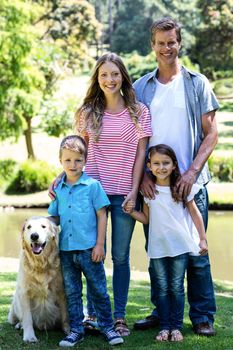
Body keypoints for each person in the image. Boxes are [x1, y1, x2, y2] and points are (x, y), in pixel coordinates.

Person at [50, 52, 152, 336]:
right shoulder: (87, 113)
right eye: (104, 74)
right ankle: (93, 315)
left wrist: (133, 192)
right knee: (92, 255)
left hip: (123, 194)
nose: (110, 79)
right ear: (97, 78)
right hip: (89, 195)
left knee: (120, 257)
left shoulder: (139, 112)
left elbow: (141, 154)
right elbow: (76, 154)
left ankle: (118, 318)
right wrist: (62, 176)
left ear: (123, 77)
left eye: (115, 74)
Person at [133, 17, 219, 336]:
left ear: (179, 43)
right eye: (160, 42)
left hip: (191, 185)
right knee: (158, 253)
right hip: (155, 188)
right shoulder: (141, 87)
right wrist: (142, 177)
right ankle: (163, 311)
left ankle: (201, 316)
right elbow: (135, 137)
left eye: (172, 41)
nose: (166, 47)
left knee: (196, 252)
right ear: (152, 46)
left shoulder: (197, 83)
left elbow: (212, 134)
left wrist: (192, 172)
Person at [125, 144, 208, 342]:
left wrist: (202, 238)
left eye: (165, 163)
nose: (161, 167)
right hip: (158, 247)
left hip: (179, 246)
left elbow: (195, 214)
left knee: (177, 287)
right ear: (149, 166)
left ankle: (176, 328)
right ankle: (164, 327)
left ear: (173, 165)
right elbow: (147, 219)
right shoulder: (149, 192)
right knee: (161, 287)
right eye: (156, 163)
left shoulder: (181, 188)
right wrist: (132, 212)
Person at [48, 135, 124, 347]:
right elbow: (54, 218)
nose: (73, 165)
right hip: (67, 250)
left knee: (99, 290)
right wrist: (38, 224)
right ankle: (76, 330)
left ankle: (108, 328)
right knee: (72, 292)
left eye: (78, 160)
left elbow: (102, 215)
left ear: (85, 160)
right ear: (61, 161)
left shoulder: (93, 186)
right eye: (68, 160)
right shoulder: (59, 189)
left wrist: (99, 244)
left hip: (90, 249)